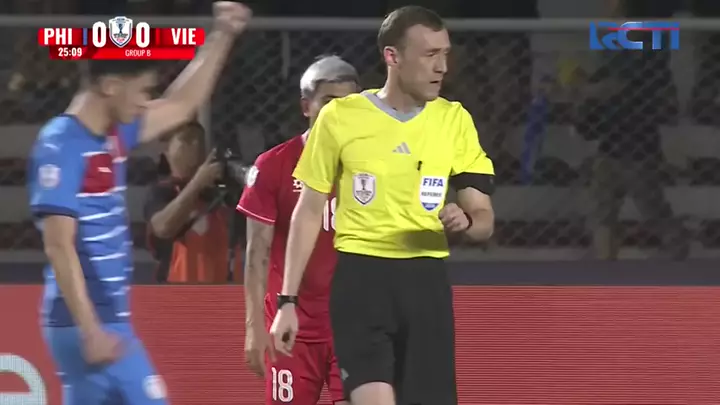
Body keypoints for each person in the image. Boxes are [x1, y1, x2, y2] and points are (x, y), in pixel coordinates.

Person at [26, 3, 251, 404]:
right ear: (111, 85)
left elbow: (181, 105)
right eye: (144, 91)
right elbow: (58, 245)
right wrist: (91, 330)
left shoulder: (113, 133)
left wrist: (222, 35)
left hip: (102, 322)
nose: (148, 102)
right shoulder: (61, 144)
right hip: (89, 324)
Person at [270, 6, 495, 405]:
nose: (442, 67)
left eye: (445, 54)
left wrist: (466, 220)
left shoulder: (454, 121)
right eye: (429, 54)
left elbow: (484, 218)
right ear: (392, 56)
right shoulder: (340, 117)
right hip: (362, 280)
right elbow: (309, 211)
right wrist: (288, 301)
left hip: (425, 283)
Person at [237, 55, 359, 405]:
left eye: (348, 103)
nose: (338, 113)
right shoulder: (274, 165)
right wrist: (254, 328)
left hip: (354, 326)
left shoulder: (372, 165)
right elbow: (256, 254)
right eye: (328, 102)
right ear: (306, 106)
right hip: (290, 328)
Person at [144, 122, 243, 283]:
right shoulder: (162, 192)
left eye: (201, 141)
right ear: (167, 152)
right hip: (177, 291)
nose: (196, 145)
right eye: (187, 139)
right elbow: (162, 228)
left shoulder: (221, 193)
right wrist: (197, 183)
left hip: (222, 290)